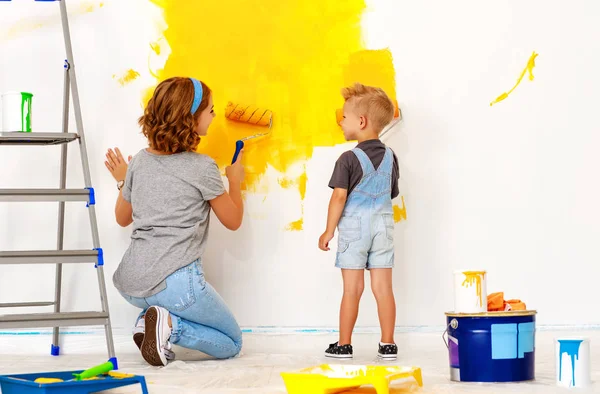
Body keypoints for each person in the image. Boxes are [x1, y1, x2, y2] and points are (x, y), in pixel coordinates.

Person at [104, 76, 245, 366]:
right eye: (210, 110)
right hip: (176, 284)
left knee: (166, 307)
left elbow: (122, 218)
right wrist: (234, 182)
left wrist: (124, 180)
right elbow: (233, 221)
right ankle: (170, 327)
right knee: (232, 342)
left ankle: (149, 322)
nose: (214, 115)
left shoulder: (139, 162)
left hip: (131, 283)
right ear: (191, 118)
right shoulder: (202, 167)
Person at [318, 82, 400, 360]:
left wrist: (329, 230)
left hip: (355, 228)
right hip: (383, 227)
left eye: (344, 117)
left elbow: (339, 197)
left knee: (352, 289)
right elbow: (391, 193)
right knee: (383, 288)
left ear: (361, 121)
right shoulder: (391, 157)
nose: (340, 121)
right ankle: (388, 344)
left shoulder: (348, 159)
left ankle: (344, 344)